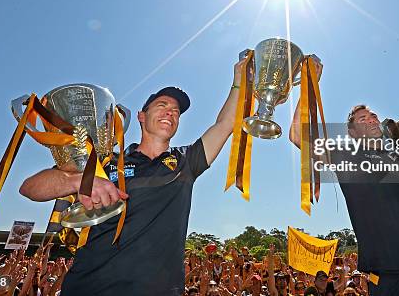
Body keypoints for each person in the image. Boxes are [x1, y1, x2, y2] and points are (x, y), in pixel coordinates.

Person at [19, 60, 246, 295]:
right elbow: (30, 188)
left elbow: (226, 123)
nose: (171, 112)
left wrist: (239, 79)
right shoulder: (104, 162)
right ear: (140, 116)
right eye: (162, 105)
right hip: (90, 287)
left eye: (176, 112)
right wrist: (79, 181)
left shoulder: (186, 161)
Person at [289, 78, 399, 295]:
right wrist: (309, 84)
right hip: (391, 272)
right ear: (352, 133)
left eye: (373, 116)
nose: (372, 120)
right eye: (363, 119)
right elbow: (297, 135)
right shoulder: (344, 154)